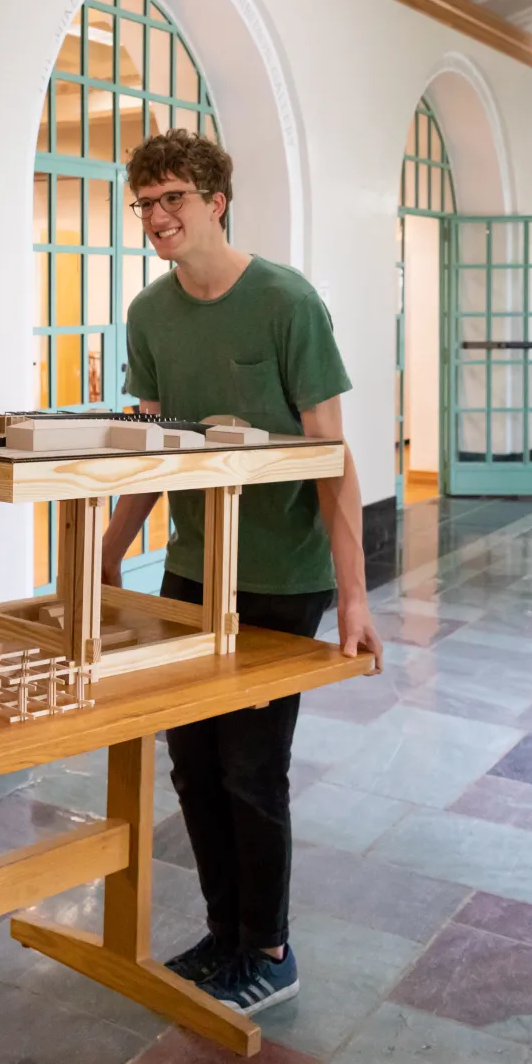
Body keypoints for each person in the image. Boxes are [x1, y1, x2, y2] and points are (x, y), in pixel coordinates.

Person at [101, 129, 384, 1017]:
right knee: (190, 761)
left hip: (282, 569)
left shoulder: (286, 302)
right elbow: (154, 452)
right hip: (193, 569)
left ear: (216, 200)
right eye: (144, 203)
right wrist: (106, 558)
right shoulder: (149, 316)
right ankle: (224, 934)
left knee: (251, 769)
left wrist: (353, 593)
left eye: (173, 198)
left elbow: (334, 455)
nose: (156, 217)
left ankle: (269, 946)